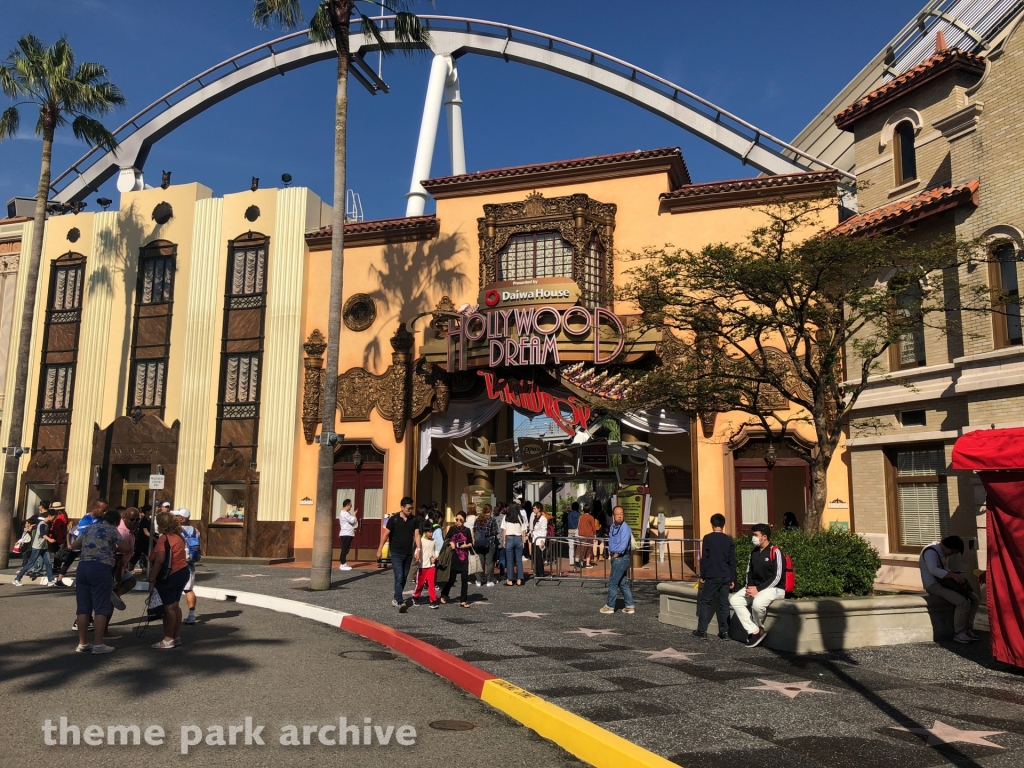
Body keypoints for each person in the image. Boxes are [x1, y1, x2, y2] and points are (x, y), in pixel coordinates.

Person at [69, 505, 131, 654]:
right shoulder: (112, 530)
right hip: (101, 567)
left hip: (83, 567)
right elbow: (125, 548)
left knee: (83, 608)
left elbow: (75, 545)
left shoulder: (89, 528)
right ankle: (98, 644)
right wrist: (111, 548)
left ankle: (82, 643)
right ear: (116, 522)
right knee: (101, 607)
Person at [729, 523, 786, 647]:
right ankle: (754, 630)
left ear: (764, 537)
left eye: (755, 535)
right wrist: (750, 586)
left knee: (757, 604)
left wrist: (758, 589)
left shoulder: (775, 552)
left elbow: (778, 577)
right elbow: (749, 571)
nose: (753, 537)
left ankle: (759, 629)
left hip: (774, 589)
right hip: (755, 587)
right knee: (735, 600)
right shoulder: (754, 551)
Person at [920, 535, 980, 644]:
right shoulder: (930, 551)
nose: (951, 554)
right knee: (963, 603)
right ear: (947, 546)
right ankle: (959, 632)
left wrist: (953, 573)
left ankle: (968, 628)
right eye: (952, 552)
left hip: (945, 583)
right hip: (934, 585)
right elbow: (933, 570)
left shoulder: (941, 552)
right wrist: (953, 575)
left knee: (975, 599)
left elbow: (943, 569)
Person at [148, 510, 190, 649]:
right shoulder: (179, 537)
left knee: (168, 608)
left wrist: (152, 579)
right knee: (175, 606)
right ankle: (175, 635)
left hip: (169, 574)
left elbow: (160, 560)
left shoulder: (164, 538)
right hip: (182, 571)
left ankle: (168, 639)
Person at [693, 513, 736, 639]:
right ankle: (725, 632)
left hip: (712, 574)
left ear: (712, 524)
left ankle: (702, 631)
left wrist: (703, 574)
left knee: (706, 602)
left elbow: (705, 558)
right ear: (723, 525)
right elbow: (732, 560)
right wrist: (732, 578)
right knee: (724, 603)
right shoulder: (729, 539)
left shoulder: (708, 538)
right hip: (725, 575)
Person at [376, 497, 421, 612]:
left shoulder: (414, 520)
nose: (410, 510)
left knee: (404, 577)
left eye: (412, 508)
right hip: (396, 553)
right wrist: (380, 549)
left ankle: (396, 597)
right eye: (408, 508)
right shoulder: (394, 520)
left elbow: (416, 535)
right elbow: (386, 535)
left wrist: (418, 550)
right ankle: (400, 602)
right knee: (399, 576)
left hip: (408, 553)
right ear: (402, 507)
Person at [56, 498, 107, 587]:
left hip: (92, 547)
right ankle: (61, 580)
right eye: (103, 510)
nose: (105, 513)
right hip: (80, 546)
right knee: (72, 562)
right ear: (95, 508)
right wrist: (70, 544)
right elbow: (80, 536)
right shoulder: (86, 519)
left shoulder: (101, 519)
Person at [600, 506, 635, 614]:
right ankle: (630, 606)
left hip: (621, 558)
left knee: (612, 583)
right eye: (617, 514)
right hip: (617, 558)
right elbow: (611, 539)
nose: (620, 515)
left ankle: (610, 606)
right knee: (622, 583)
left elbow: (623, 544)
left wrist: (616, 554)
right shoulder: (613, 527)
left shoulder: (625, 528)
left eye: (622, 513)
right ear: (613, 516)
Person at [13, 506, 57, 586]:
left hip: (44, 547)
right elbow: (43, 534)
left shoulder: (47, 523)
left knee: (48, 563)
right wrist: (50, 540)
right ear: (49, 516)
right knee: (31, 563)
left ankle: (51, 580)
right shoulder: (42, 524)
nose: (54, 519)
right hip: (37, 547)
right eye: (54, 517)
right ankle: (17, 579)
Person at [174, 509, 201, 625]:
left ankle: (174, 614)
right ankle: (191, 615)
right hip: (190, 563)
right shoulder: (196, 530)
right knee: (188, 589)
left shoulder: (176, 531)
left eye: (177, 516)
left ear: (181, 518)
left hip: (177, 562)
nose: (175, 518)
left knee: (175, 590)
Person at [441, 511, 473, 607]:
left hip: (464, 556)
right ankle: (444, 594)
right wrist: (451, 542)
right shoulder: (452, 529)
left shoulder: (467, 530)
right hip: (454, 556)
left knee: (464, 579)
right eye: (457, 520)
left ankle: (463, 600)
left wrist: (466, 545)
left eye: (460, 520)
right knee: (452, 579)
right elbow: (446, 540)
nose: (458, 522)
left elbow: (471, 543)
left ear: (464, 521)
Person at [112, 507, 140, 611]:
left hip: (122, 565)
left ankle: (116, 595)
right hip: (115, 567)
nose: (135, 522)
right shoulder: (122, 532)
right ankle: (103, 625)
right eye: (132, 519)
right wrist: (118, 579)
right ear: (124, 518)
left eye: (137, 519)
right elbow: (118, 557)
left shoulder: (130, 530)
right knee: (110, 596)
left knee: (131, 581)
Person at [411, 520, 439, 608]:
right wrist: (416, 555)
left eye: (432, 532)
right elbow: (417, 550)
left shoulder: (434, 541)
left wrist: (436, 556)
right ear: (425, 532)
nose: (431, 534)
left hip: (431, 566)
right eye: (429, 532)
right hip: (422, 566)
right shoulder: (421, 541)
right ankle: (415, 596)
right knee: (420, 584)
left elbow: (436, 550)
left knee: (431, 584)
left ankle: (433, 600)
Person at [501, 501, 528, 586]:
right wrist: (523, 541)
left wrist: (504, 541)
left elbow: (504, 530)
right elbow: (523, 530)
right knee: (519, 560)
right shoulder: (521, 517)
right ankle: (519, 579)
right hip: (519, 538)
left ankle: (510, 579)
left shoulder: (506, 517)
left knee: (509, 561)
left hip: (509, 538)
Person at [478, 504, 500, 587]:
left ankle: (479, 580)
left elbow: (475, 530)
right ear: (490, 511)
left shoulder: (478, 519)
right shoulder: (492, 520)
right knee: (489, 562)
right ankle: (489, 580)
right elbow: (495, 532)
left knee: (481, 562)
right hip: (489, 543)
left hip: (479, 543)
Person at [337, 498, 358, 571]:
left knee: (347, 549)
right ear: (347, 505)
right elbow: (352, 520)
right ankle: (343, 563)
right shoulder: (344, 513)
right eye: (350, 505)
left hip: (349, 533)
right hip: (346, 534)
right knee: (345, 549)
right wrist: (354, 515)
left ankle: (343, 563)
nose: (351, 507)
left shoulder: (347, 513)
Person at [529, 502, 549, 578]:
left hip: (539, 539)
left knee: (538, 556)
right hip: (534, 539)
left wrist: (543, 540)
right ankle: (536, 572)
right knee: (534, 556)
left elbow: (544, 530)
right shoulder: (534, 517)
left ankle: (541, 573)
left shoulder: (543, 519)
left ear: (539, 509)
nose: (533, 509)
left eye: (534, 508)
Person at [577, 504, 598, 569]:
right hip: (589, 535)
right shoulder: (591, 517)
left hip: (581, 535)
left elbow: (578, 525)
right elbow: (593, 528)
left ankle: (580, 562)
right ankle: (587, 563)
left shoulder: (580, 517)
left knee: (581, 549)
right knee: (589, 550)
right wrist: (595, 536)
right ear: (590, 510)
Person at [566, 501, 581, 569]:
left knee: (571, 546)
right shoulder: (578, 514)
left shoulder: (569, 514)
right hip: (577, 530)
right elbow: (579, 523)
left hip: (570, 530)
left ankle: (571, 561)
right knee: (578, 545)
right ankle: (577, 559)